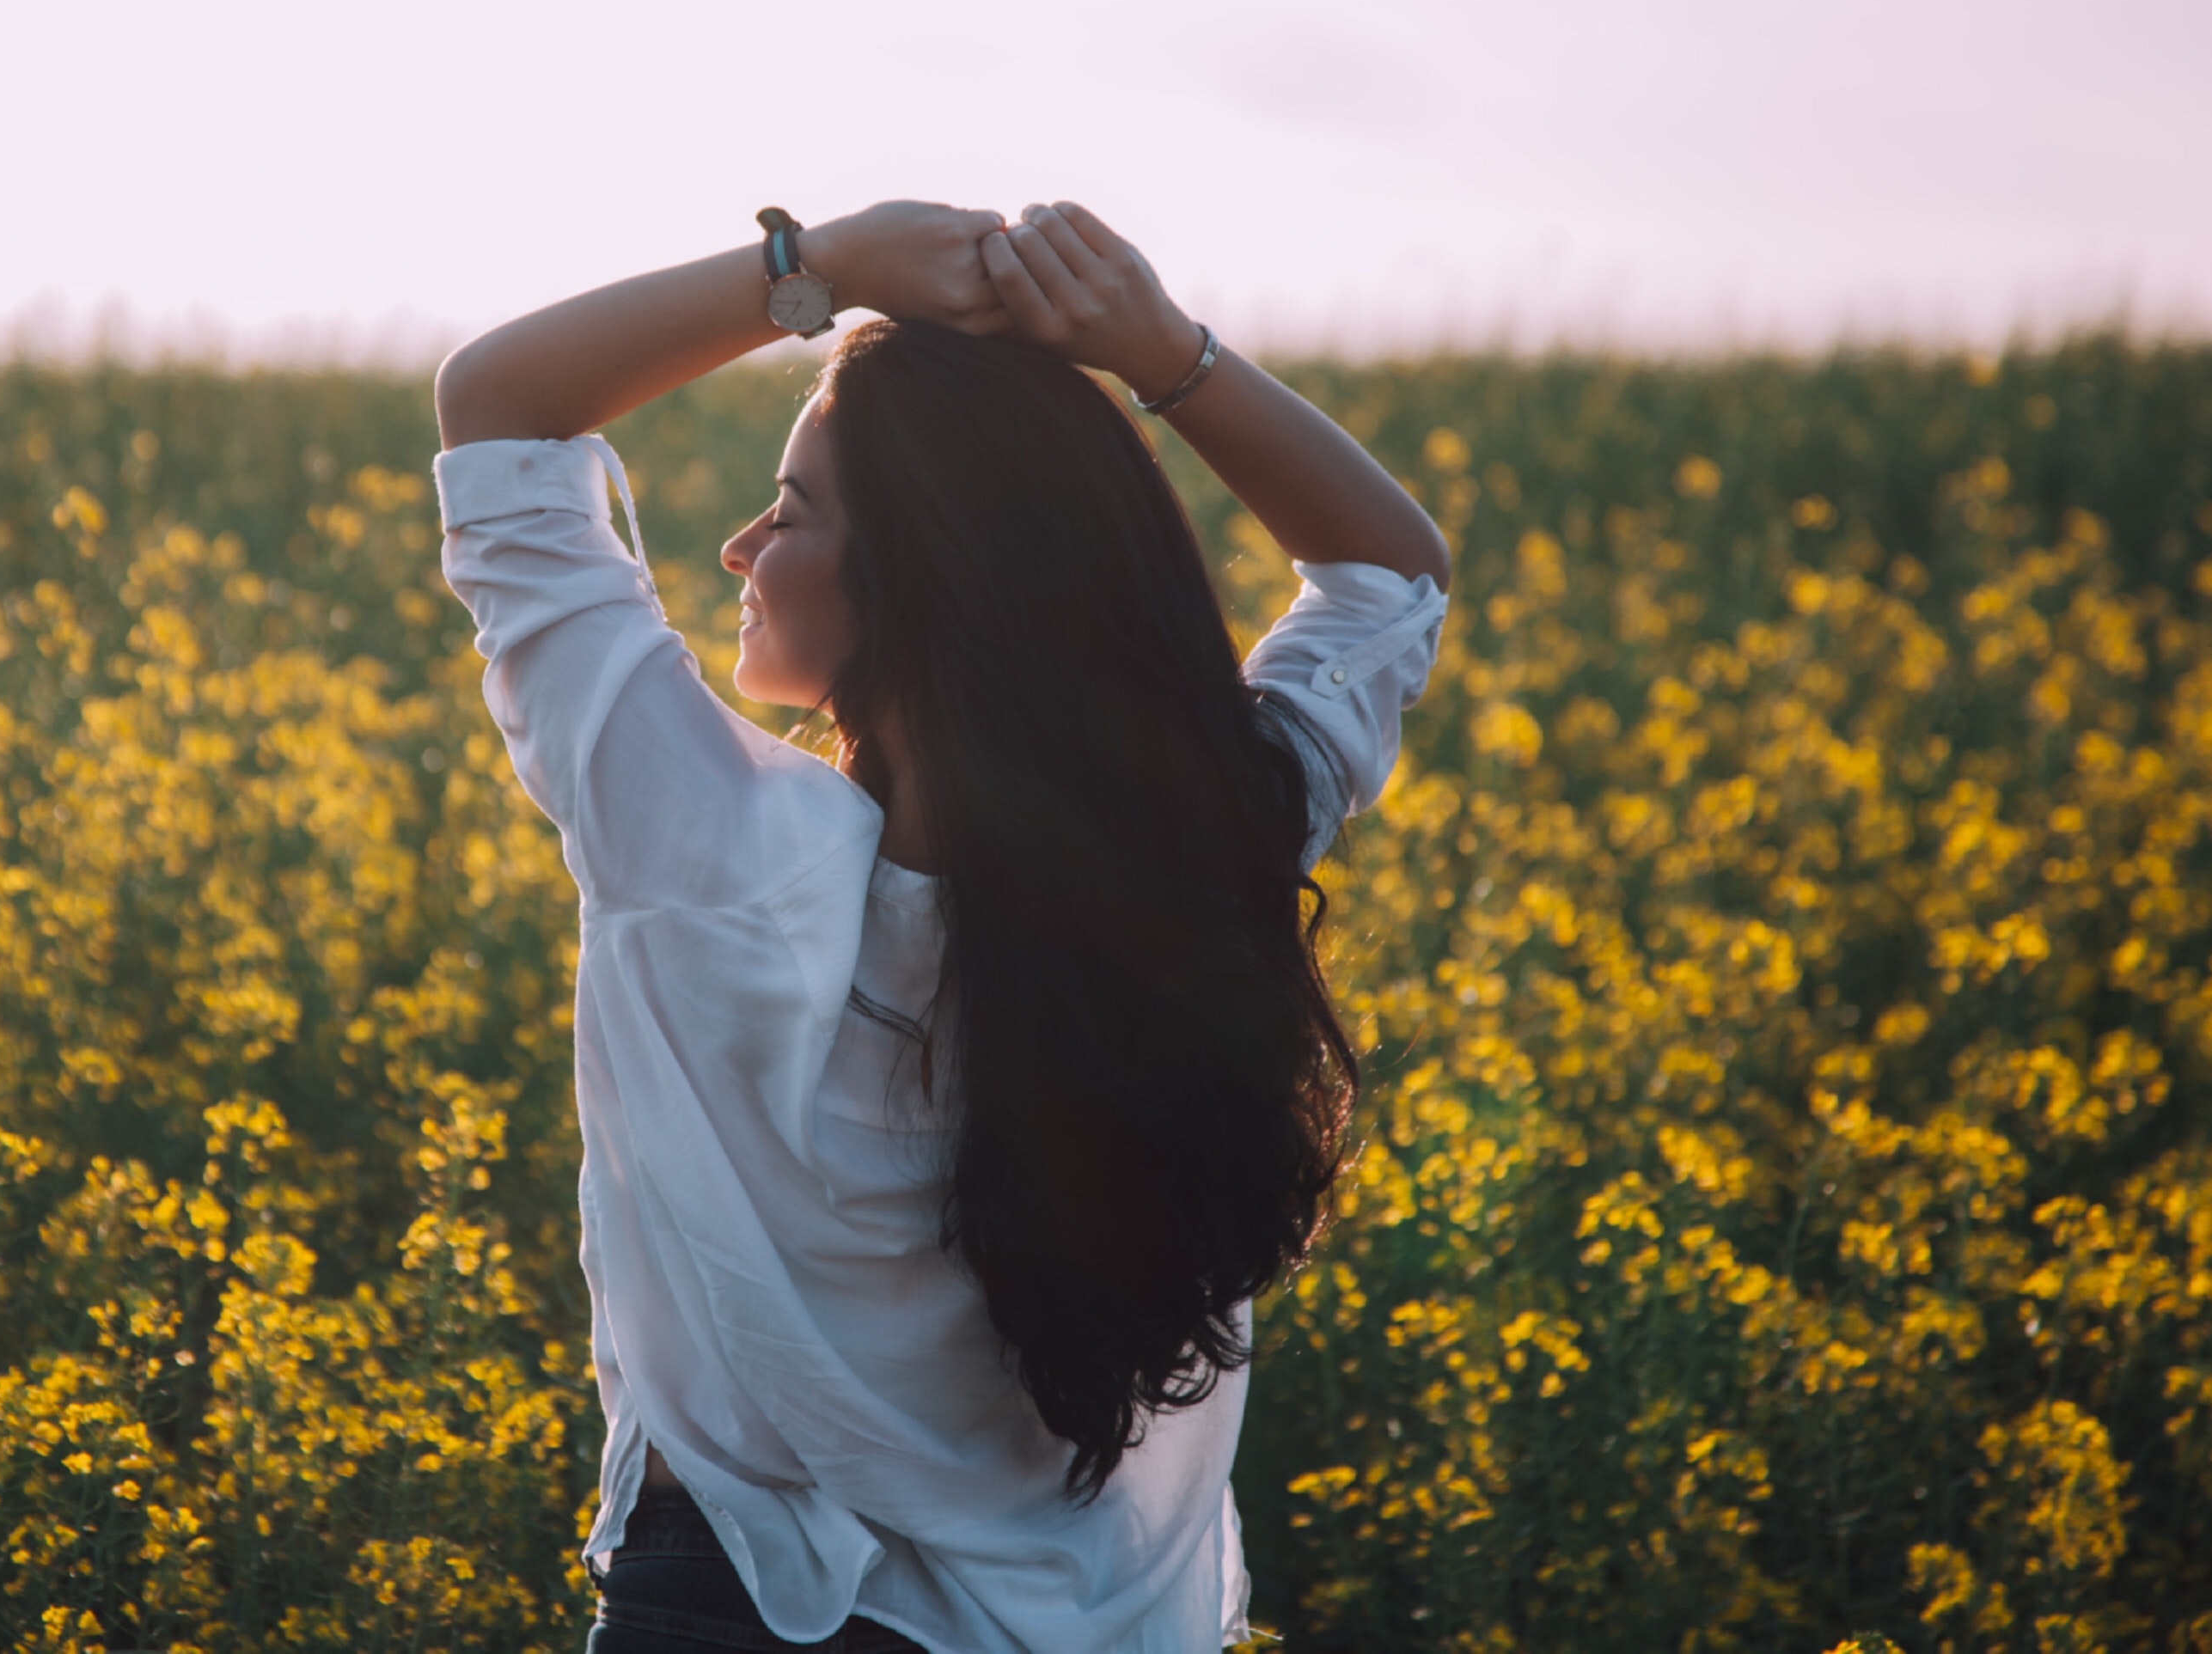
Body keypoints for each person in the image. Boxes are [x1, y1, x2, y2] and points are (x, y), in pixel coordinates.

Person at [431, 200, 1451, 1653]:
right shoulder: (1206, 840)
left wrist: (820, 266)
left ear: (917, 581)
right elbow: (1388, 573)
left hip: (743, 1606)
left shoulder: (704, 848)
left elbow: (499, 407)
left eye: (791, 510)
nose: (737, 546)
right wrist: (1160, 354)